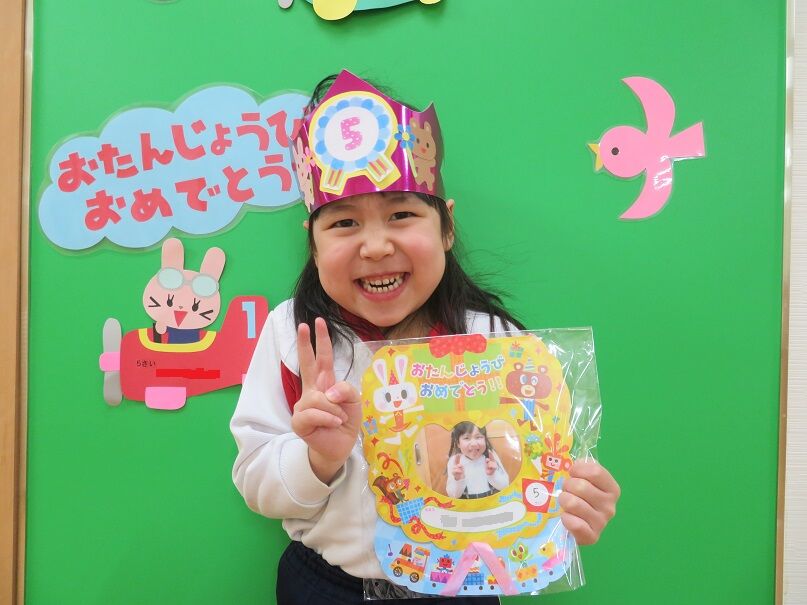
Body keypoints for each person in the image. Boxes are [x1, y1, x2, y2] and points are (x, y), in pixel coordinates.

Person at [230, 70, 621, 605]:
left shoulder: (495, 342)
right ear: (313, 242)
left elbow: (532, 465)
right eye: (343, 223)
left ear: (446, 226)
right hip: (327, 585)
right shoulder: (293, 334)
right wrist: (317, 459)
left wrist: (572, 503)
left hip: (464, 581)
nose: (375, 246)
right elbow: (254, 480)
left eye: (401, 214)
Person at [445, 421, 509, 499]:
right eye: (466, 438)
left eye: (478, 437)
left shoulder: (490, 456)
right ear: (458, 443)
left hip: (491, 503)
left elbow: (505, 486)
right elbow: (453, 495)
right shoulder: (454, 461)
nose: (474, 444)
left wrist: (493, 474)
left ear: (485, 439)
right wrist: (458, 480)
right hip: (467, 505)